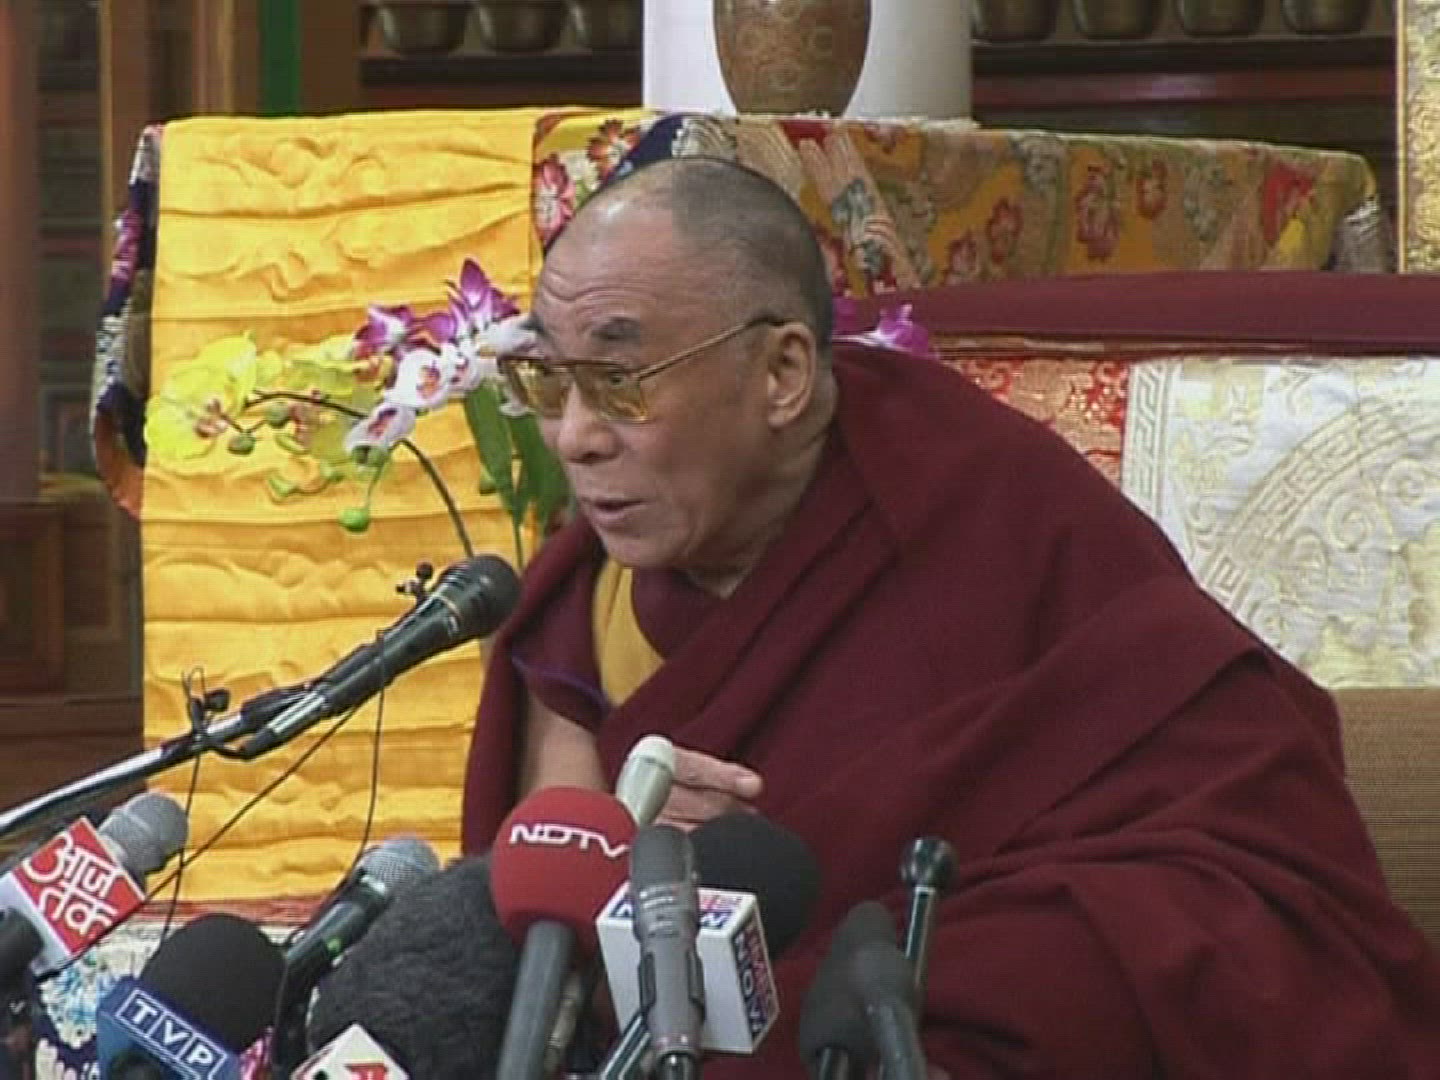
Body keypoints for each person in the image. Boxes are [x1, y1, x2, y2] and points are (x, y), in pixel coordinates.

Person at [460, 156, 1440, 1077]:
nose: (575, 439)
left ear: (782, 374)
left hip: (929, 973)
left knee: (1035, 970)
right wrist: (647, 863)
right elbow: (553, 932)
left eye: (620, 382)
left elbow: (1241, 860)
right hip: (711, 1024)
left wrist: (784, 874)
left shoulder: (981, 497)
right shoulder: (589, 601)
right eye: (548, 381)